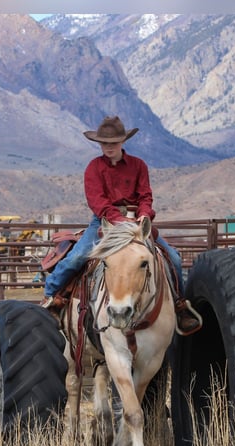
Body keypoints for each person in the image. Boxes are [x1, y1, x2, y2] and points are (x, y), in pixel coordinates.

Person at [41, 115, 202, 335]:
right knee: (78, 257)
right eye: (105, 143)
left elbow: (145, 195)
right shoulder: (94, 168)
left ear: (122, 142)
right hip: (105, 223)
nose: (109, 147)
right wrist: (118, 219)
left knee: (172, 257)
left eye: (113, 143)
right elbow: (97, 201)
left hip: (137, 222)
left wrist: (144, 215)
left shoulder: (138, 166)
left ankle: (180, 306)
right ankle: (53, 298)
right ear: (99, 144)